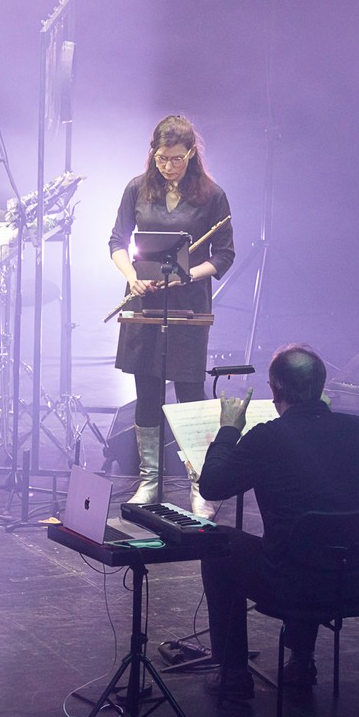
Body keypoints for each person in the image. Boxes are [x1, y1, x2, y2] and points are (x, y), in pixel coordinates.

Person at [196, 345, 359, 701]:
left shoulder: (268, 437)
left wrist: (228, 431)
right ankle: (301, 661)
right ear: (322, 387)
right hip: (353, 580)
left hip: (292, 584)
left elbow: (212, 485)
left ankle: (233, 672)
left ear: (275, 391)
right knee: (313, 539)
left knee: (220, 542)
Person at [109, 115, 235, 511]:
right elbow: (116, 241)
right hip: (144, 301)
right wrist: (131, 277)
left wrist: (186, 276)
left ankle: (201, 483)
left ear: (192, 154)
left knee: (189, 393)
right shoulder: (136, 189)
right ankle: (150, 480)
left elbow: (225, 255)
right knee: (146, 389)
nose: (168, 166)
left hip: (187, 303)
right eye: (162, 158)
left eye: (177, 159)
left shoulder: (212, 195)